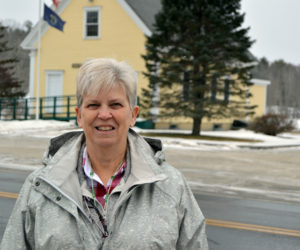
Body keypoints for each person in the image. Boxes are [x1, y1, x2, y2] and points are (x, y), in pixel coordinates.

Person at [0, 58, 208, 249]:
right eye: (93, 105)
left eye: (115, 104)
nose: (104, 114)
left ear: (133, 114)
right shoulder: (40, 187)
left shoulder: (171, 186)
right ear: (80, 115)